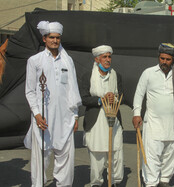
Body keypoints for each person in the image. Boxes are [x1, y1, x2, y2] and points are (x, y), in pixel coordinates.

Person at [25, 21, 82, 187]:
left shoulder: (67, 61)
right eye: (51, 37)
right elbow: (30, 91)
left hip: (65, 117)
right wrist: (36, 114)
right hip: (44, 118)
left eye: (57, 38)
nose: (55, 41)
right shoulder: (35, 61)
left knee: (65, 156)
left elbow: (73, 88)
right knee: (40, 157)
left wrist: (76, 115)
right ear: (44, 39)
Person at [133, 43, 174, 187]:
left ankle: (164, 179)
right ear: (158, 57)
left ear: (172, 60)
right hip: (153, 122)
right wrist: (136, 114)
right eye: (162, 58)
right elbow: (139, 94)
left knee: (170, 153)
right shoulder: (148, 73)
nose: (164, 62)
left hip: (173, 123)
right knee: (152, 154)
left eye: (167, 59)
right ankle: (151, 182)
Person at [80, 45, 124, 187]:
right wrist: (100, 99)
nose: (107, 59)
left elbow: (121, 96)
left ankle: (115, 181)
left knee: (116, 152)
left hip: (113, 119)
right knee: (97, 154)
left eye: (109, 56)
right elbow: (84, 98)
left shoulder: (116, 75)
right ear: (97, 59)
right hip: (96, 120)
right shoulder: (88, 76)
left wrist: (114, 98)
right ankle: (97, 183)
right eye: (104, 57)